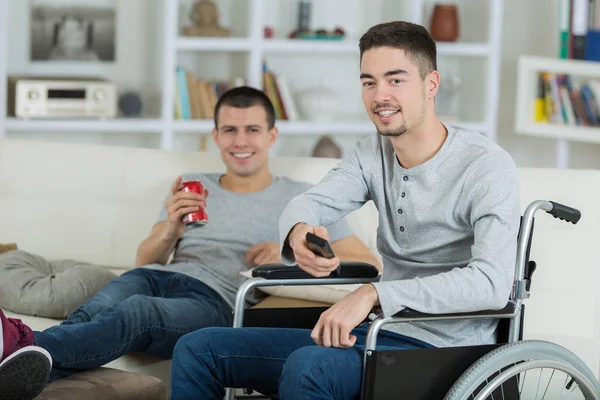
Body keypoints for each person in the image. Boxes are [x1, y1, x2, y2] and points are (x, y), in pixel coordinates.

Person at [169, 21, 520, 399]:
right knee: (198, 349)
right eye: (369, 82)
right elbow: (309, 203)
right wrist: (299, 231)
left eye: (395, 80)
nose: (379, 95)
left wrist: (374, 294)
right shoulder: (373, 153)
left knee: (309, 366)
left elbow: (491, 283)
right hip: (378, 334)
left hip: (447, 350)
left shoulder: (485, 166)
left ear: (431, 84)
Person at [0, 86, 379, 398]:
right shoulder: (194, 181)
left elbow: (364, 261)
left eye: (252, 130)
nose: (240, 141)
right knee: (92, 312)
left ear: (271, 136)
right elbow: (143, 259)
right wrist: (171, 227)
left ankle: (14, 348)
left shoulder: (300, 198)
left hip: (213, 298)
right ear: (215, 136)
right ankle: (20, 369)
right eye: (230, 130)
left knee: (135, 312)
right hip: (156, 275)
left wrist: (288, 256)